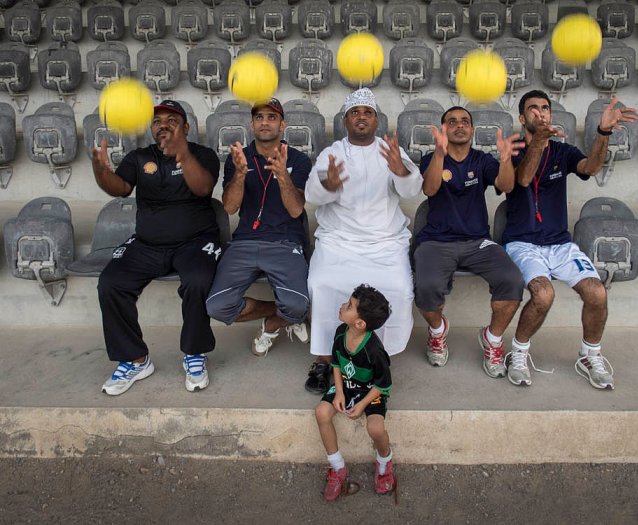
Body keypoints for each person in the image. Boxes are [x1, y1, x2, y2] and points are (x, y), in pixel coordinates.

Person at [502, 90, 638, 389]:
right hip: (522, 242)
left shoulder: (563, 152)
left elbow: (590, 167)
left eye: (545, 108)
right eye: (533, 109)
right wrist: (537, 140)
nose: (540, 113)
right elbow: (523, 179)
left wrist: (603, 132)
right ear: (522, 118)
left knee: (597, 294)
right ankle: (518, 353)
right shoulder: (510, 149)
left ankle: (590, 354)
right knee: (543, 295)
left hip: (560, 243)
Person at [93, 100, 222, 395]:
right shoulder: (139, 157)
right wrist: (101, 170)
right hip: (148, 243)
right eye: (157, 121)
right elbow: (120, 188)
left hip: (196, 241)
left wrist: (183, 154)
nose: (163, 125)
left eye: (172, 120)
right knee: (111, 283)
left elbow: (202, 188)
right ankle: (136, 359)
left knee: (199, 280)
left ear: (186, 128)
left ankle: (194, 353)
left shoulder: (203, 155)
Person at [304, 88, 423, 393]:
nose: (361, 117)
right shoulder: (332, 153)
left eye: (367, 113)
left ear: (375, 120)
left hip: (384, 243)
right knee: (322, 285)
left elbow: (412, 190)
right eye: (355, 112)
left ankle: (377, 356)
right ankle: (323, 359)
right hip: (338, 242)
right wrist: (327, 185)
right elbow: (311, 194)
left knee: (399, 287)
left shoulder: (389, 151)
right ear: (345, 120)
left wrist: (400, 170)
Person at [415, 106, 525, 374]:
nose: (459, 125)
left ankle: (493, 339)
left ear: (472, 130)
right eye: (452, 122)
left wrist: (505, 160)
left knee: (513, 280)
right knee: (426, 288)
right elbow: (429, 189)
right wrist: (440, 153)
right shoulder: (431, 158)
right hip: (436, 241)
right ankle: (438, 331)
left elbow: (507, 186)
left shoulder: (481, 160)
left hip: (477, 242)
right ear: (443, 129)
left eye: (465, 121)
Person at [205, 98, 312, 355]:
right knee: (217, 307)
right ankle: (281, 313)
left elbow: (296, 209)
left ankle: (274, 323)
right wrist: (240, 174)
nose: (265, 122)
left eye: (272, 117)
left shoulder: (298, 159)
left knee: (298, 305)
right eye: (259, 117)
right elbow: (229, 207)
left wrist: (282, 175)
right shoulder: (239, 158)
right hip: (245, 242)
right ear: (252, 124)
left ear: (282, 124)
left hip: (285, 242)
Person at [314, 284, 395, 501]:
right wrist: (339, 392)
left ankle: (385, 463)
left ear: (360, 323)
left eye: (349, 305)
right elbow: (338, 364)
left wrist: (362, 405)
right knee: (322, 412)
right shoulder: (341, 333)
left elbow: (383, 384)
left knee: (376, 428)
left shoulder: (374, 350)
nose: (343, 305)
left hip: (370, 390)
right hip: (347, 386)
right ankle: (337, 467)